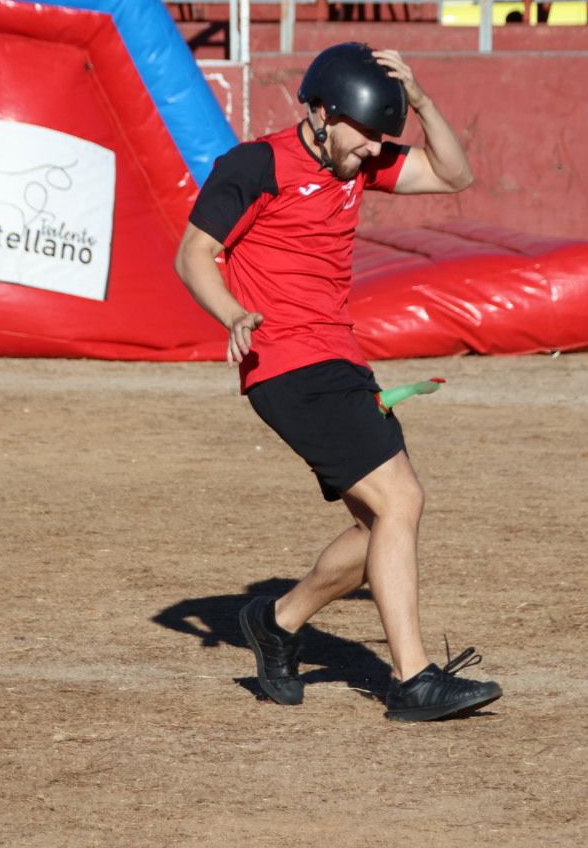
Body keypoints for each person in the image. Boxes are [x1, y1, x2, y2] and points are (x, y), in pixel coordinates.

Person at [173, 42, 501, 723]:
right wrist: (233, 312)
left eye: (382, 139)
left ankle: (278, 621)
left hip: (342, 358)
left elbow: (453, 175)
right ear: (321, 114)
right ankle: (411, 682)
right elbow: (193, 253)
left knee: (380, 524)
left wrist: (422, 100)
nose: (370, 152)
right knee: (402, 500)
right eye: (363, 136)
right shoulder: (255, 165)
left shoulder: (359, 164)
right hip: (286, 363)